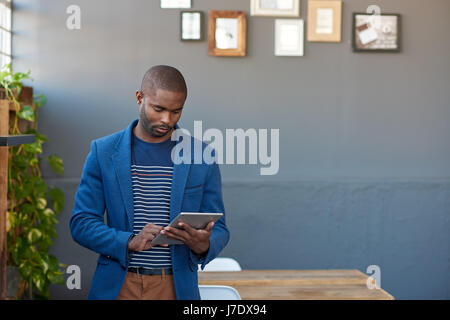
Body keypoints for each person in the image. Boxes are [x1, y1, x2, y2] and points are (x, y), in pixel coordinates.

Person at [70, 65, 230, 300]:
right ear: (139, 98)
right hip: (118, 286)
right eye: (159, 109)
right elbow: (81, 223)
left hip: (175, 288)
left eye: (176, 111)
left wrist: (203, 244)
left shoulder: (202, 156)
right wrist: (129, 241)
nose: (167, 119)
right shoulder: (103, 152)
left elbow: (221, 230)